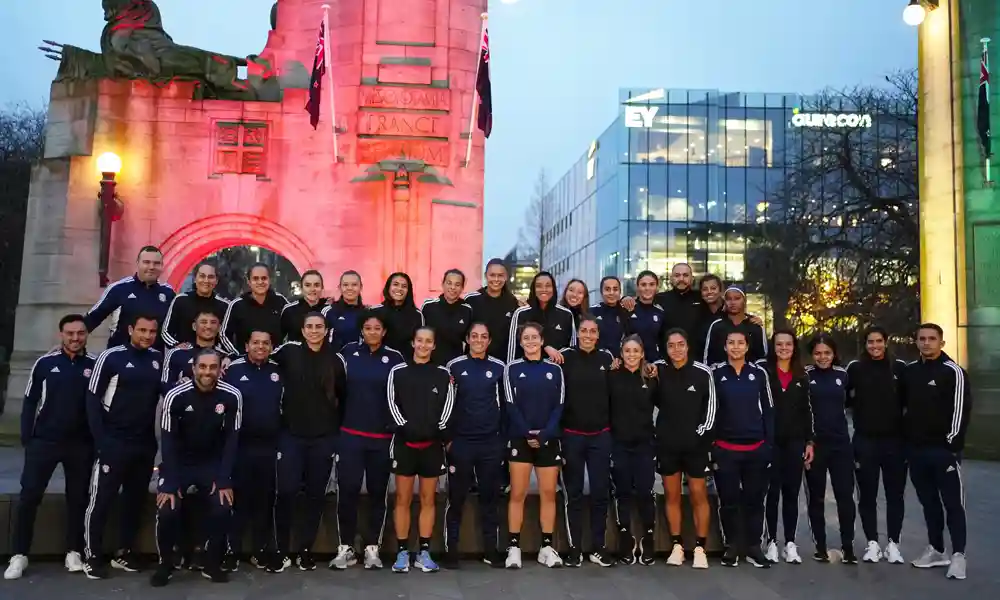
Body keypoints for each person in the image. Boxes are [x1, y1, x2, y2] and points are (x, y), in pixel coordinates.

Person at [4, 315, 97, 580]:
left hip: (80, 444)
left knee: (78, 499)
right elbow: (30, 401)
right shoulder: (45, 364)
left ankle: (73, 551)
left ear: (86, 335)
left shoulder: (93, 365)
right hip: (44, 442)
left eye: (80, 333)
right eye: (70, 333)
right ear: (61, 335)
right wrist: (28, 439)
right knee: (29, 498)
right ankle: (19, 555)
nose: (75, 338)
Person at [83, 313, 164, 579]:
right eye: (142, 330)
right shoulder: (112, 357)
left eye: (152, 331)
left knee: (134, 501)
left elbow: (165, 391)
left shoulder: (157, 359)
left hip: (143, 446)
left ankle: (124, 551)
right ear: (130, 329)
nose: (146, 336)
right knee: (101, 499)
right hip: (113, 442)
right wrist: (101, 441)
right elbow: (93, 399)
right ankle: (92, 554)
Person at [150, 349, 241, 586]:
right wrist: (169, 480)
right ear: (194, 369)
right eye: (203, 367)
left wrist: (223, 478)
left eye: (213, 367)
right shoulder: (175, 395)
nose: (207, 372)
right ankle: (166, 563)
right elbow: (168, 440)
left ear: (220, 369)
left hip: (211, 463)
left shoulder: (232, 396)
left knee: (222, 506)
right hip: (178, 463)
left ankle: (211, 563)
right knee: (167, 508)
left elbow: (232, 439)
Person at [270, 313, 347, 571]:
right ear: (302, 330)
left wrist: (335, 437)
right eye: (309, 327)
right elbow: (260, 357)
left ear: (326, 330)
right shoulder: (288, 352)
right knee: (287, 492)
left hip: (323, 439)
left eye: (319, 327)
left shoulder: (336, 361)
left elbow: (342, 399)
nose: (314, 331)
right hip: (291, 436)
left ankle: (305, 550)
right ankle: (281, 550)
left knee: (315, 495)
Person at [330, 313, 405, 570]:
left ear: (384, 331)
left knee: (377, 494)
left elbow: (400, 395)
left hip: (381, 439)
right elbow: (336, 391)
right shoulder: (348, 354)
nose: (372, 332)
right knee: (347, 491)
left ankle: (373, 547)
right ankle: (346, 547)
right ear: (361, 330)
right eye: (367, 328)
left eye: (377, 327)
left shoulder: (395, 358)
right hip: (351, 435)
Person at [902, 323, 970, 580]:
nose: (927, 343)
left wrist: (952, 446)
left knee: (953, 504)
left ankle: (959, 556)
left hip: (944, 452)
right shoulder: (910, 372)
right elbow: (904, 410)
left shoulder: (953, 372)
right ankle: (937, 550)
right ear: (916, 342)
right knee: (929, 503)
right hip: (916, 452)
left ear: (941, 342)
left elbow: (961, 411)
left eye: (932, 339)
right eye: (922, 339)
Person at [387, 327, 455, 573]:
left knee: (428, 499)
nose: (424, 345)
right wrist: (406, 429)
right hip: (405, 445)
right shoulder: (398, 371)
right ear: (413, 343)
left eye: (429, 342)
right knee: (403, 499)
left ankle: (424, 552)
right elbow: (391, 403)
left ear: (434, 346)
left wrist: (435, 432)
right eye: (420, 341)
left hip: (432, 447)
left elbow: (448, 407)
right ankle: (402, 552)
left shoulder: (443, 374)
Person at [442, 323, 507, 568]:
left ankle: (491, 550)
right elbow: (446, 404)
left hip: (490, 443)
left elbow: (505, 406)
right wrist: (448, 439)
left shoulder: (499, 367)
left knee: (490, 499)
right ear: (468, 339)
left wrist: (501, 441)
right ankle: (452, 551)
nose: (479, 340)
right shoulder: (455, 366)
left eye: (484, 336)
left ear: (489, 340)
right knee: (456, 498)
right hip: (461, 443)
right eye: (474, 336)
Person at [503, 322, 565, 569]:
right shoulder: (511, 369)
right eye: (525, 338)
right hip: (521, 439)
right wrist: (528, 433)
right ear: (520, 342)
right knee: (517, 494)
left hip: (548, 440)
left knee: (548, 494)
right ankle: (514, 547)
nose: (530, 342)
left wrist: (545, 434)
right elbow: (510, 405)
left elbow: (559, 405)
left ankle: (547, 547)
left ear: (542, 341)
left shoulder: (555, 370)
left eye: (534, 338)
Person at [653, 329, 715, 570]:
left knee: (699, 495)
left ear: (688, 346)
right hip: (667, 445)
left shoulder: (702, 372)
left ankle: (700, 547)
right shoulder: (660, 370)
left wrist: (698, 435)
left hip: (695, 447)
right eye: (671, 345)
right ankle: (677, 545)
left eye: (680, 344)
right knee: (672, 496)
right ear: (666, 349)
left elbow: (711, 411)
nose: (676, 349)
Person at [711, 330, 774, 568]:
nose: (736, 347)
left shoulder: (759, 374)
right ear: (725, 346)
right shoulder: (716, 374)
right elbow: (710, 409)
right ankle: (732, 545)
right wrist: (713, 446)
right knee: (728, 500)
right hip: (726, 449)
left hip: (755, 448)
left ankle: (754, 546)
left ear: (747, 347)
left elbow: (769, 410)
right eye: (731, 343)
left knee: (755, 499)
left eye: (740, 343)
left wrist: (768, 445)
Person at [846, 325, 908, 564]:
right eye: (870, 342)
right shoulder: (855, 368)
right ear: (865, 344)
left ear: (886, 342)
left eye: (879, 341)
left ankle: (893, 543)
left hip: (895, 442)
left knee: (895, 495)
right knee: (867, 495)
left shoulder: (899, 368)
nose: (875, 346)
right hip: (865, 441)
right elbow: (845, 398)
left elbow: (909, 402)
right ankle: (872, 542)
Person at [223, 331, 284, 572]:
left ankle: (260, 550)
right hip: (239, 446)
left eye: (266, 343)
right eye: (255, 343)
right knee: (237, 500)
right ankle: (232, 551)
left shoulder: (278, 371)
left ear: (271, 346)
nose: (260, 347)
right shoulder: (233, 370)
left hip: (269, 447)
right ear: (246, 345)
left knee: (264, 501)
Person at [559, 316, 615, 568]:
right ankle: (574, 548)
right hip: (572, 435)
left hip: (600, 435)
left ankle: (598, 546)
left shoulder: (607, 359)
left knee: (601, 492)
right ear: (577, 333)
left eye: (593, 331)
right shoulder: (565, 358)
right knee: (574, 493)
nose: (588, 335)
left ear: (598, 335)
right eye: (584, 331)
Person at [758, 328, 813, 564]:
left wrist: (810, 441)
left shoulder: (802, 375)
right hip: (770, 441)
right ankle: (771, 542)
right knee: (772, 493)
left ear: (794, 347)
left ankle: (790, 542)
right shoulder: (764, 372)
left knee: (791, 492)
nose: (783, 348)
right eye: (779, 344)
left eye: (788, 344)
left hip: (795, 441)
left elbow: (807, 410)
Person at [802, 334, 857, 564]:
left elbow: (852, 403)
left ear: (834, 354)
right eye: (818, 353)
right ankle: (821, 547)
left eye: (827, 353)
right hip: (815, 446)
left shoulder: (843, 375)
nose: (822, 357)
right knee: (816, 498)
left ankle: (848, 547)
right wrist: (807, 441)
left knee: (845, 496)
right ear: (812, 355)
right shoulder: (805, 376)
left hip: (841, 445)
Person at [608, 335, 658, 566]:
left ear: (642, 353)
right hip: (619, 443)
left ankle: (648, 538)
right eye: (627, 350)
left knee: (646, 492)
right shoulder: (612, 375)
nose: (631, 355)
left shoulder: (651, 376)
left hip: (644, 444)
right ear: (621, 352)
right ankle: (625, 538)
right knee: (623, 492)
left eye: (635, 351)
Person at [84, 246, 176, 349]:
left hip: (154, 360)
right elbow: (91, 319)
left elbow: (176, 326)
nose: (151, 267)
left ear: (162, 266)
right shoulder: (119, 289)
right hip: (119, 359)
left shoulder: (168, 293)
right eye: (146, 262)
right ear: (137, 263)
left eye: (156, 263)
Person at [507, 272, 575, 364]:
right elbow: (513, 348)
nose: (544, 289)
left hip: (557, 373)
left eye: (548, 285)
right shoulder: (521, 313)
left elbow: (572, 348)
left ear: (554, 288)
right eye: (539, 286)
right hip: (525, 373)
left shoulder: (566, 314)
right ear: (533, 289)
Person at [220, 263, 288, 352]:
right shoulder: (237, 305)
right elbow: (224, 334)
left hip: (277, 362)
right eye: (255, 278)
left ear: (269, 280)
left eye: (264, 278)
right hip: (245, 361)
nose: (260, 282)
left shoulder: (280, 301)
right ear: (248, 281)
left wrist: (285, 353)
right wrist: (236, 355)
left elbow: (293, 328)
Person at [161, 261, 230, 348]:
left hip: (212, 358)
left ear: (216, 281)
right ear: (195, 278)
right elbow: (165, 331)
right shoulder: (181, 300)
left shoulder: (224, 306)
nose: (206, 280)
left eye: (211, 277)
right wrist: (176, 345)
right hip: (184, 357)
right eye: (202, 276)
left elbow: (227, 337)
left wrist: (224, 356)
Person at [464, 258, 521, 362]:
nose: (496, 279)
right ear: (486, 275)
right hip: (473, 363)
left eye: (500, 275)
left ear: (506, 277)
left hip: (501, 364)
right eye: (492, 275)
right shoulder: (471, 299)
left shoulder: (513, 302)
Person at [161, 310, 232, 392]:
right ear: (194, 326)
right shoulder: (176, 354)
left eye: (213, 322)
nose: (208, 326)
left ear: (219, 327)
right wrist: (181, 385)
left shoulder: (226, 358)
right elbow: (165, 386)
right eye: (203, 322)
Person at [703, 286, 767, 365]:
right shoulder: (716, 326)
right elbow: (708, 357)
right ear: (725, 302)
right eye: (729, 299)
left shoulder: (755, 326)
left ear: (744, 300)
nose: (732, 302)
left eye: (737, 298)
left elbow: (762, 357)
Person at [421, 269, 474, 365]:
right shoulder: (428, 306)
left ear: (462, 288)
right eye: (449, 283)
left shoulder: (467, 310)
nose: (453, 287)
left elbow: (468, 341)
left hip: (456, 365)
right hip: (431, 364)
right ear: (443, 284)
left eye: (457, 285)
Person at [371, 272, 424, 359]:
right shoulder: (375, 311)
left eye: (404, 286)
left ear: (408, 290)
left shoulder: (416, 315)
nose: (399, 289)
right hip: (380, 363)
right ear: (388, 287)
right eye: (396, 284)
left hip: (406, 366)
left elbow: (420, 344)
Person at [655, 264, 705, 341]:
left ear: (692, 279)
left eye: (685, 275)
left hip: (696, 351)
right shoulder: (659, 299)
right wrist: (629, 300)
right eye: (677, 275)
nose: (681, 279)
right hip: (667, 351)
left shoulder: (702, 298)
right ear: (671, 279)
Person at [280, 270, 329, 342]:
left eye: (316, 285)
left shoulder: (330, 310)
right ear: (302, 288)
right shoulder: (289, 310)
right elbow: (279, 339)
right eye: (308, 285)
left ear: (322, 287)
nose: (312, 289)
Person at [323, 270, 367, 350]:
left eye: (354, 285)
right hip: (334, 361)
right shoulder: (329, 311)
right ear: (339, 287)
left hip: (358, 361)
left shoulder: (368, 313)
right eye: (345, 285)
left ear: (361, 287)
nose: (349, 288)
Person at [628, 271, 666, 362]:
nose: (647, 288)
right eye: (643, 285)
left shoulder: (660, 312)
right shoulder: (628, 309)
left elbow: (662, 340)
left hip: (655, 363)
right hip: (632, 362)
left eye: (651, 284)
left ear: (657, 287)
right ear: (637, 287)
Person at [589, 276, 630, 355]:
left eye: (615, 289)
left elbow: (629, 340)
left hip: (619, 362)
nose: (611, 293)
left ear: (620, 292)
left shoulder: (626, 312)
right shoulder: (592, 312)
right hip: (596, 360)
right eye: (607, 289)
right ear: (601, 292)